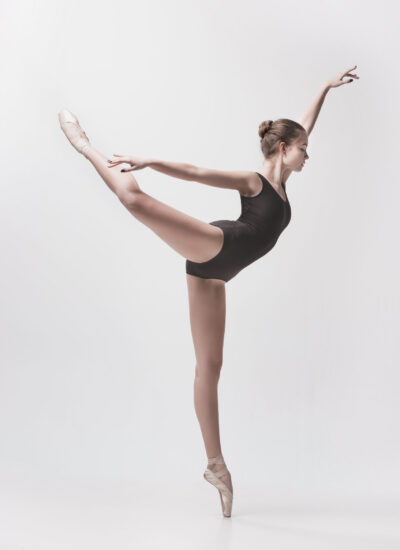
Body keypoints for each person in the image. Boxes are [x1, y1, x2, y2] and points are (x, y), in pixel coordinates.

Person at [58, 65, 359, 518]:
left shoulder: (283, 181)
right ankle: (86, 147)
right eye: (303, 150)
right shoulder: (255, 181)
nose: (307, 155)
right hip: (219, 244)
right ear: (283, 148)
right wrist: (151, 161)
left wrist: (324, 88)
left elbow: (306, 123)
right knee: (135, 200)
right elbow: (199, 172)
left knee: (210, 367)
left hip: (218, 276)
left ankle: (215, 466)